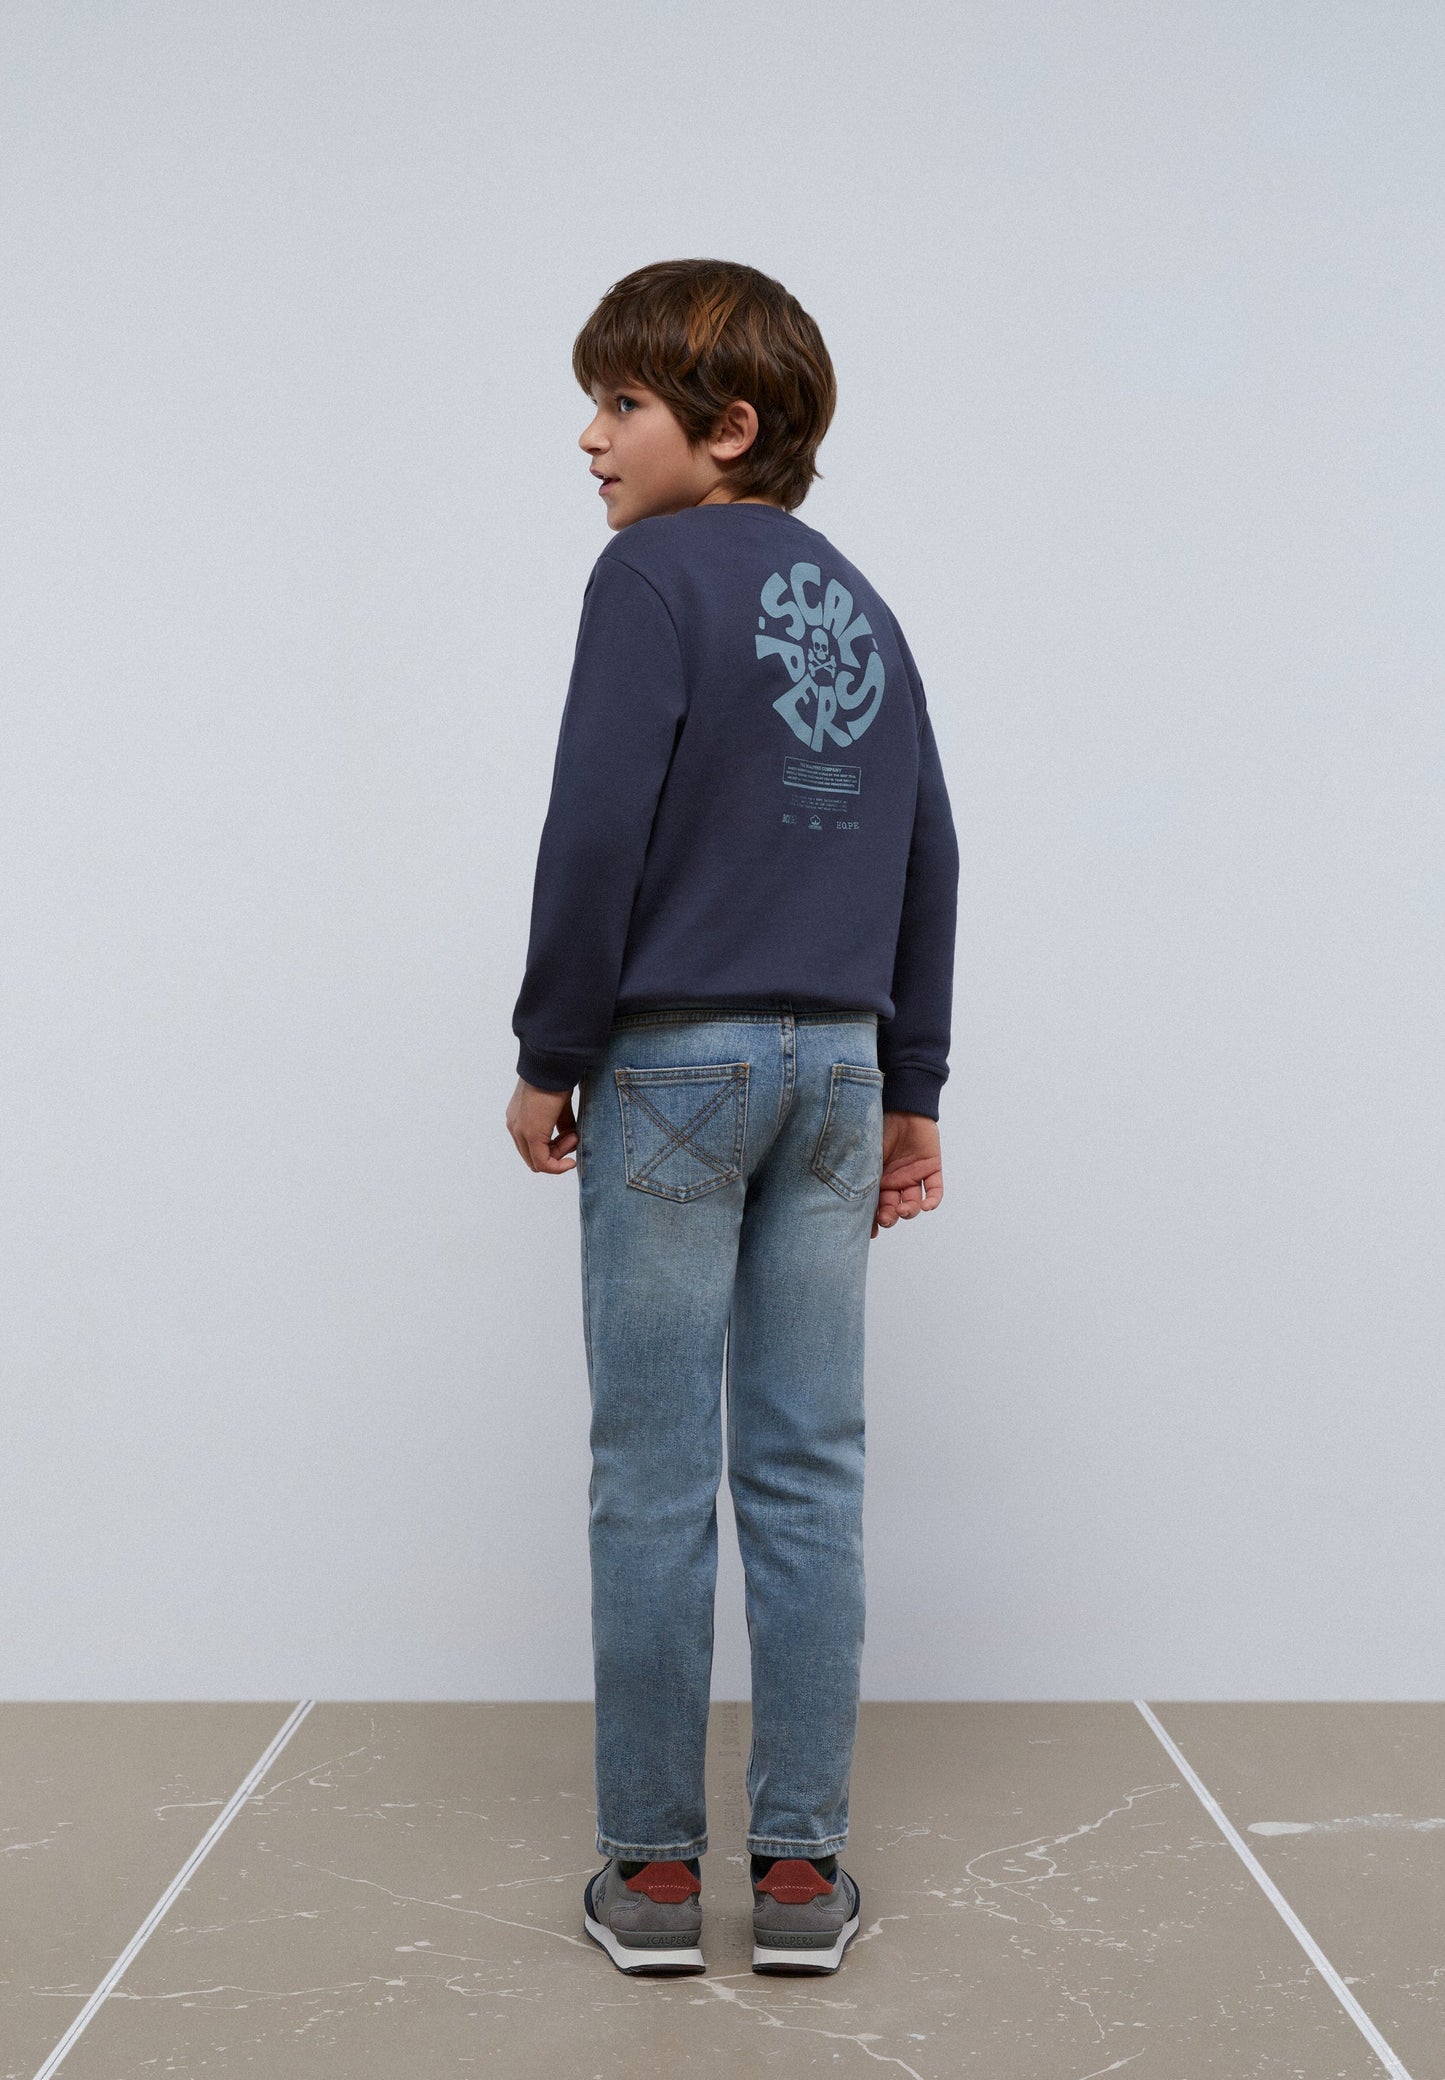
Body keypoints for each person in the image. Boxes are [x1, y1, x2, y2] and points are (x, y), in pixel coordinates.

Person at [505, 258, 959, 1978]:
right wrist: (911, 1087)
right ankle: (797, 1875)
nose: (589, 438)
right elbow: (927, 852)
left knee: (649, 1472)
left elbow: (594, 829)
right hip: (836, 1069)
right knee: (808, 1466)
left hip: (678, 1067)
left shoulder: (646, 578)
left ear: (727, 426)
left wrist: (550, 1049)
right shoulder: (863, 601)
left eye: (619, 404)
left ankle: (649, 1876)